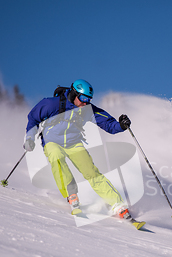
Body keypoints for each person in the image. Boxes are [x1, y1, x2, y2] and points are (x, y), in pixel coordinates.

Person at [24, 79, 132, 219]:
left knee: (90, 171)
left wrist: (121, 125)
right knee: (56, 156)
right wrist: (29, 138)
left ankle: (117, 204)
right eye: (83, 98)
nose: (85, 102)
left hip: (73, 143)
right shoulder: (51, 104)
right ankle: (72, 195)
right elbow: (33, 118)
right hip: (52, 142)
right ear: (74, 94)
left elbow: (109, 125)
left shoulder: (87, 109)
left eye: (88, 99)